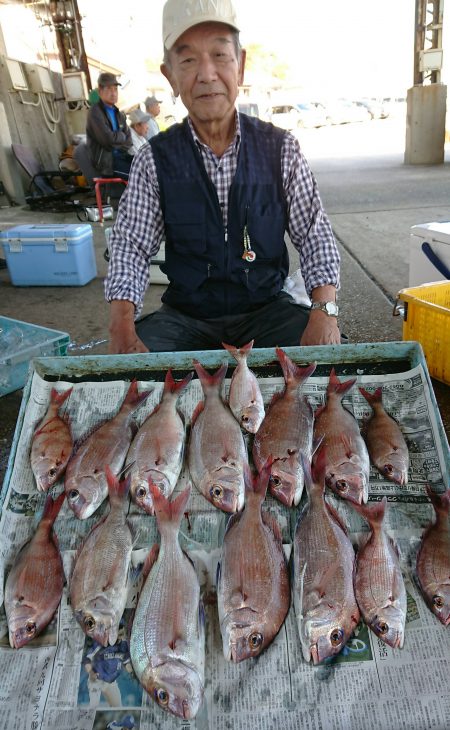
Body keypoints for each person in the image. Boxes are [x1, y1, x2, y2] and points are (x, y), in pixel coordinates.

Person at [105, 0, 341, 354]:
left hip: (267, 312)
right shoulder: (153, 159)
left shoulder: (281, 149)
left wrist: (324, 312)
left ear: (240, 66)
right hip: (186, 319)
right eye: (187, 60)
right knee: (128, 375)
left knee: (333, 359)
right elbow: (131, 247)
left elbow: (314, 234)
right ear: (170, 75)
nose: (206, 74)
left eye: (219, 55)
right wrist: (121, 326)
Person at [86, 72, 132, 180]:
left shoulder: (119, 114)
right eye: (109, 89)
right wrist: (121, 137)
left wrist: (117, 139)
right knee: (139, 177)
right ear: (100, 91)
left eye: (115, 89)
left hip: (122, 156)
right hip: (107, 163)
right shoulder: (95, 112)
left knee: (148, 168)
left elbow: (129, 141)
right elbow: (107, 140)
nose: (113, 93)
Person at [82, 627, 132, 707]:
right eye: (118, 634)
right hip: (97, 680)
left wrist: (132, 670)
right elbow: (87, 659)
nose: (121, 637)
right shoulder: (101, 643)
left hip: (111, 682)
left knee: (118, 707)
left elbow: (127, 664)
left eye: (122, 634)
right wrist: (91, 673)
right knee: (93, 709)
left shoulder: (124, 645)